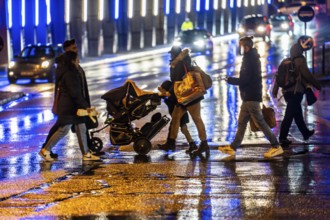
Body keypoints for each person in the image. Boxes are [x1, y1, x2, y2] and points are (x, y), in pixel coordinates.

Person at [218, 36, 283, 158]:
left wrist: (230, 80)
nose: (240, 48)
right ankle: (233, 148)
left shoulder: (250, 59)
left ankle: (276, 146)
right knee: (242, 123)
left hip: (251, 96)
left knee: (260, 123)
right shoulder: (249, 57)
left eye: (241, 46)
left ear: (246, 47)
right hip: (247, 97)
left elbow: (245, 79)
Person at [41, 39, 98, 158]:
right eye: (73, 48)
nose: (76, 50)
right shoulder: (67, 67)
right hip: (69, 105)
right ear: (67, 51)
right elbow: (74, 90)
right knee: (62, 128)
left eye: (76, 47)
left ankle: (87, 152)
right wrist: (84, 104)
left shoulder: (72, 66)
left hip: (74, 104)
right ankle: (46, 149)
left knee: (81, 126)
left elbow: (79, 87)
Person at [161, 46, 209, 157]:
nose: (170, 56)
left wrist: (168, 91)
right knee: (176, 117)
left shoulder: (177, 64)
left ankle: (204, 143)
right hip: (184, 96)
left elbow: (176, 81)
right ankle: (171, 142)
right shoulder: (184, 60)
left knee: (196, 119)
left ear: (175, 54)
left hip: (190, 95)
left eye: (172, 54)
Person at [272, 37, 321, 145]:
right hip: (296, 91)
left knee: (297, 113)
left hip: (287, 92)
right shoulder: (300, 60)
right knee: (289, 115)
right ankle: (282, 138)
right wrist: (317, 85)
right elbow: (307, 75)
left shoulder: (286, 60)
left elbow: (278, 76)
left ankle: (305, 133)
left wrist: (275, 90)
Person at [158, 80, 197, 154]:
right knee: (180, 129)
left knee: (181, 129)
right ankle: (171, 144)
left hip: (180, 115)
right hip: (177, 115)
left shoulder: (172, 97)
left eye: (164, 90)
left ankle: (190, 144)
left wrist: (163, 94)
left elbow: (168, 99)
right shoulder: (170, 96)